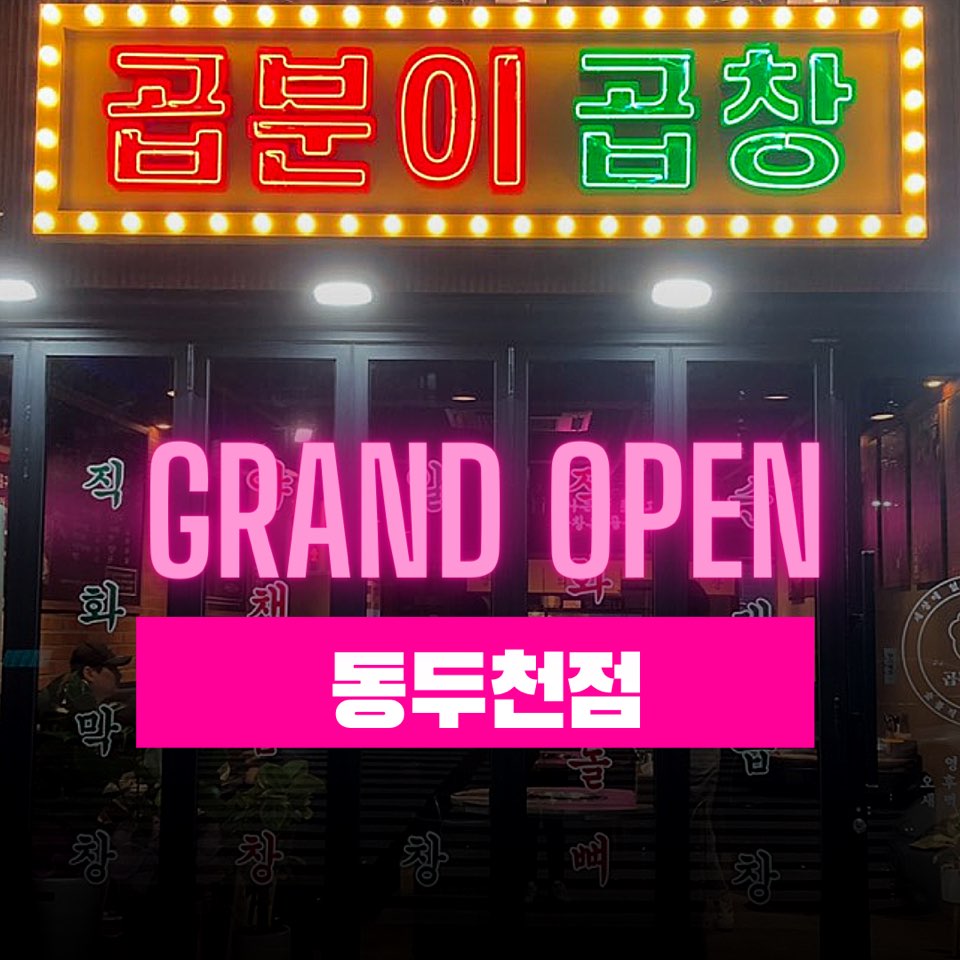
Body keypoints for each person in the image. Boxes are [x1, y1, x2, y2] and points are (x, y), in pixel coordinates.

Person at [36, 640, 132, 721]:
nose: (119, 675)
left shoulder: (75, 697)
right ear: (89, 673)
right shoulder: (64, 709)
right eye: (112, 669)